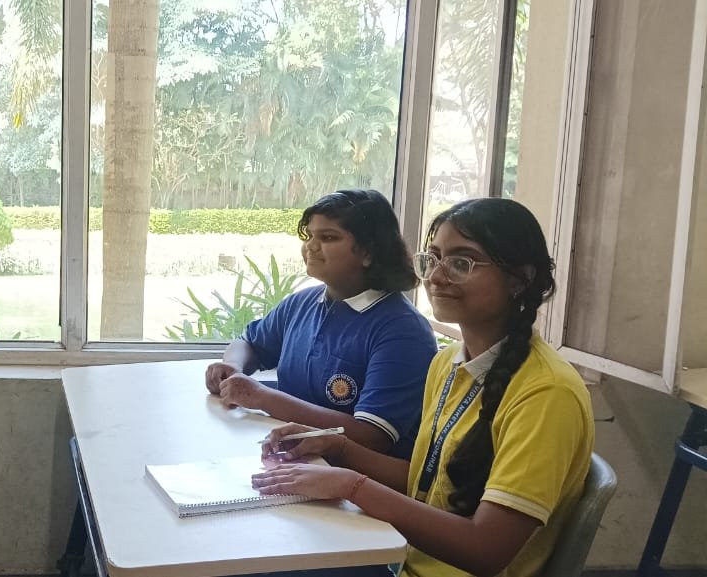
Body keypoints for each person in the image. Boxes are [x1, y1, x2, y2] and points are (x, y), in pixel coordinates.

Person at [253, 198, 594, 577]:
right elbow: (425, 482)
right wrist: (337, 446)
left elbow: (486, 550)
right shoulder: (447, 363)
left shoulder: (546, 393)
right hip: (402, 560)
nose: (436, 277)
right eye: (433, 259)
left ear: (519, 278)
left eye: (462, 263)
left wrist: (352, 487)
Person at [206, 189, 436, 457]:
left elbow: (372, 436)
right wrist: (233, 366)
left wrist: (262, 397)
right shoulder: (301, 303)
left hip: (352, 475)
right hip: (292, 458)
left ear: (368, 252)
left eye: (328, 237)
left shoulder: (403, 332)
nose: (311, 247)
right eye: (309, 236)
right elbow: (250, 343)